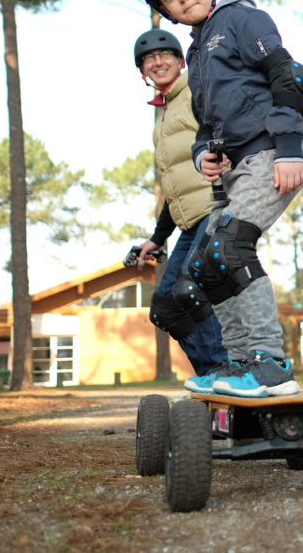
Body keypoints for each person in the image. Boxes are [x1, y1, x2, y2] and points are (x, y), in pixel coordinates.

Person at [137, 0, 303, 397]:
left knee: (232, 247)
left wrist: (291, 145)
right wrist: (203, 154)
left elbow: (287, 75)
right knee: (206, 264)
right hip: (240, 166)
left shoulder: (241, 19)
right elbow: (204, 126)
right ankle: (238, 363)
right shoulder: (195, 57)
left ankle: (270, 362)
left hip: (274, 153)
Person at [129, 29, 228, 378]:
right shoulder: (164, 115)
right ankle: (212, 374)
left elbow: (227, 134)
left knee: (189, 289)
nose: (157, 62)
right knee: (165, 308)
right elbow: (177, 191)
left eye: (164, 55)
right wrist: (156, 239)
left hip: (217, 209)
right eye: (149, 59)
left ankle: (224, 368)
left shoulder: (196, 93)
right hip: (189, 219)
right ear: (143, 71)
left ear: (180, 60)